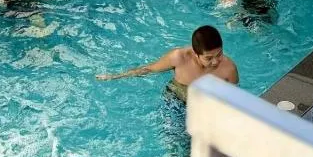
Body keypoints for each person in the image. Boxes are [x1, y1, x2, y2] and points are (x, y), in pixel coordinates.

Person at [96, 25, 238, 102]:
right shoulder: (178, 58)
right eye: (209, 58)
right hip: (175, 100)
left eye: (219, 54)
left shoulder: (229, 69)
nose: (215, 61)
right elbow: (148, 69)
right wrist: (116, 76)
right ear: (196, 53)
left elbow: (233, 98)